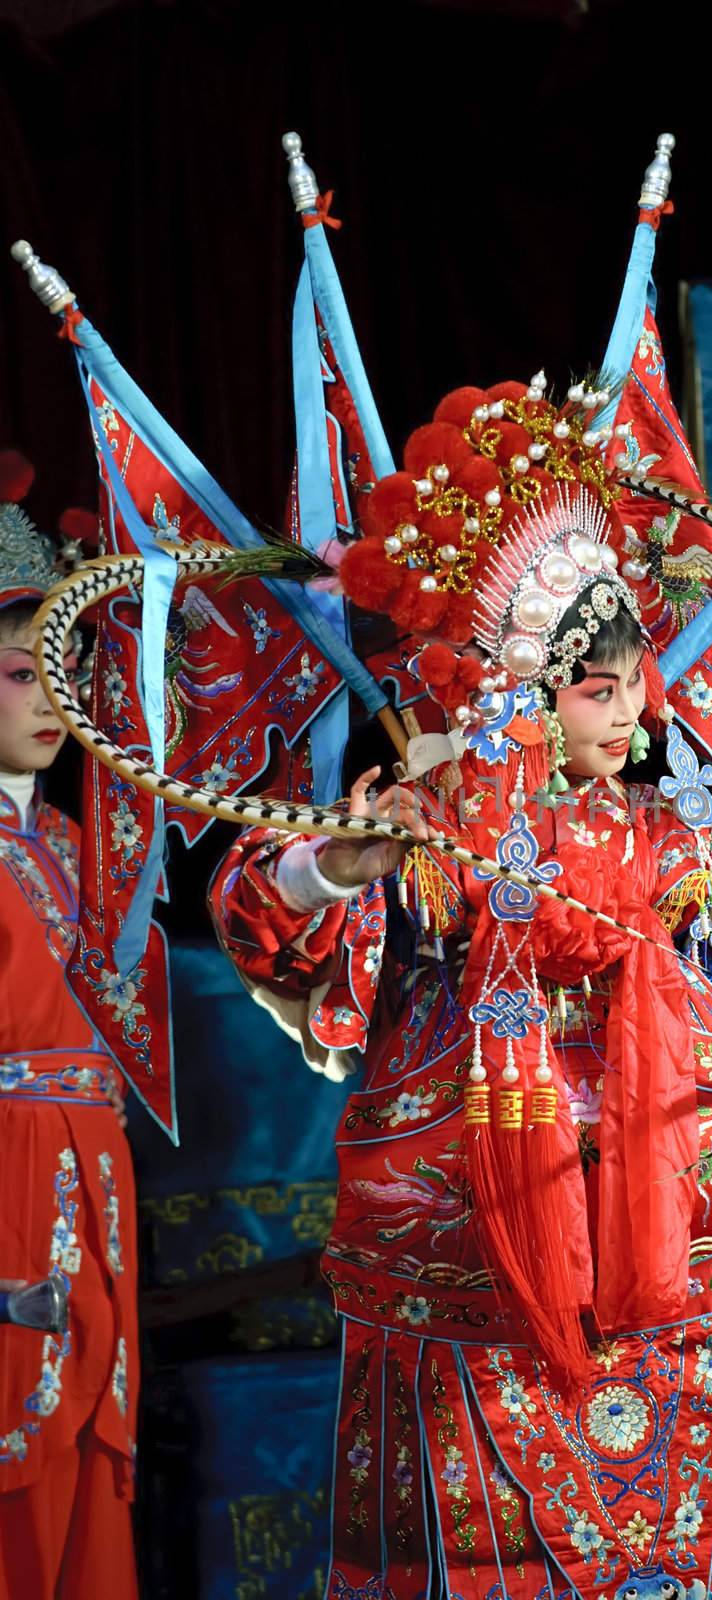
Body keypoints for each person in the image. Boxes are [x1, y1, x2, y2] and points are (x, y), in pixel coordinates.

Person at [210, 380, 712, 1599]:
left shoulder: (678, 830)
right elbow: (264, 920)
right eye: (601, 688)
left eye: (636, 676)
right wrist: (333, 865)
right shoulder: (425, 838)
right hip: (480, 1256)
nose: (641, 706)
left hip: (708, 1246)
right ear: (520, 696)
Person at [0, 454, 138, 1598]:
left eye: (63, 668)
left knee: (89, 1484)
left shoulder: (61, 843)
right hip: (9, 1191)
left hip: (86, 1189)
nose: (50, 696)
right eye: (16, 672)